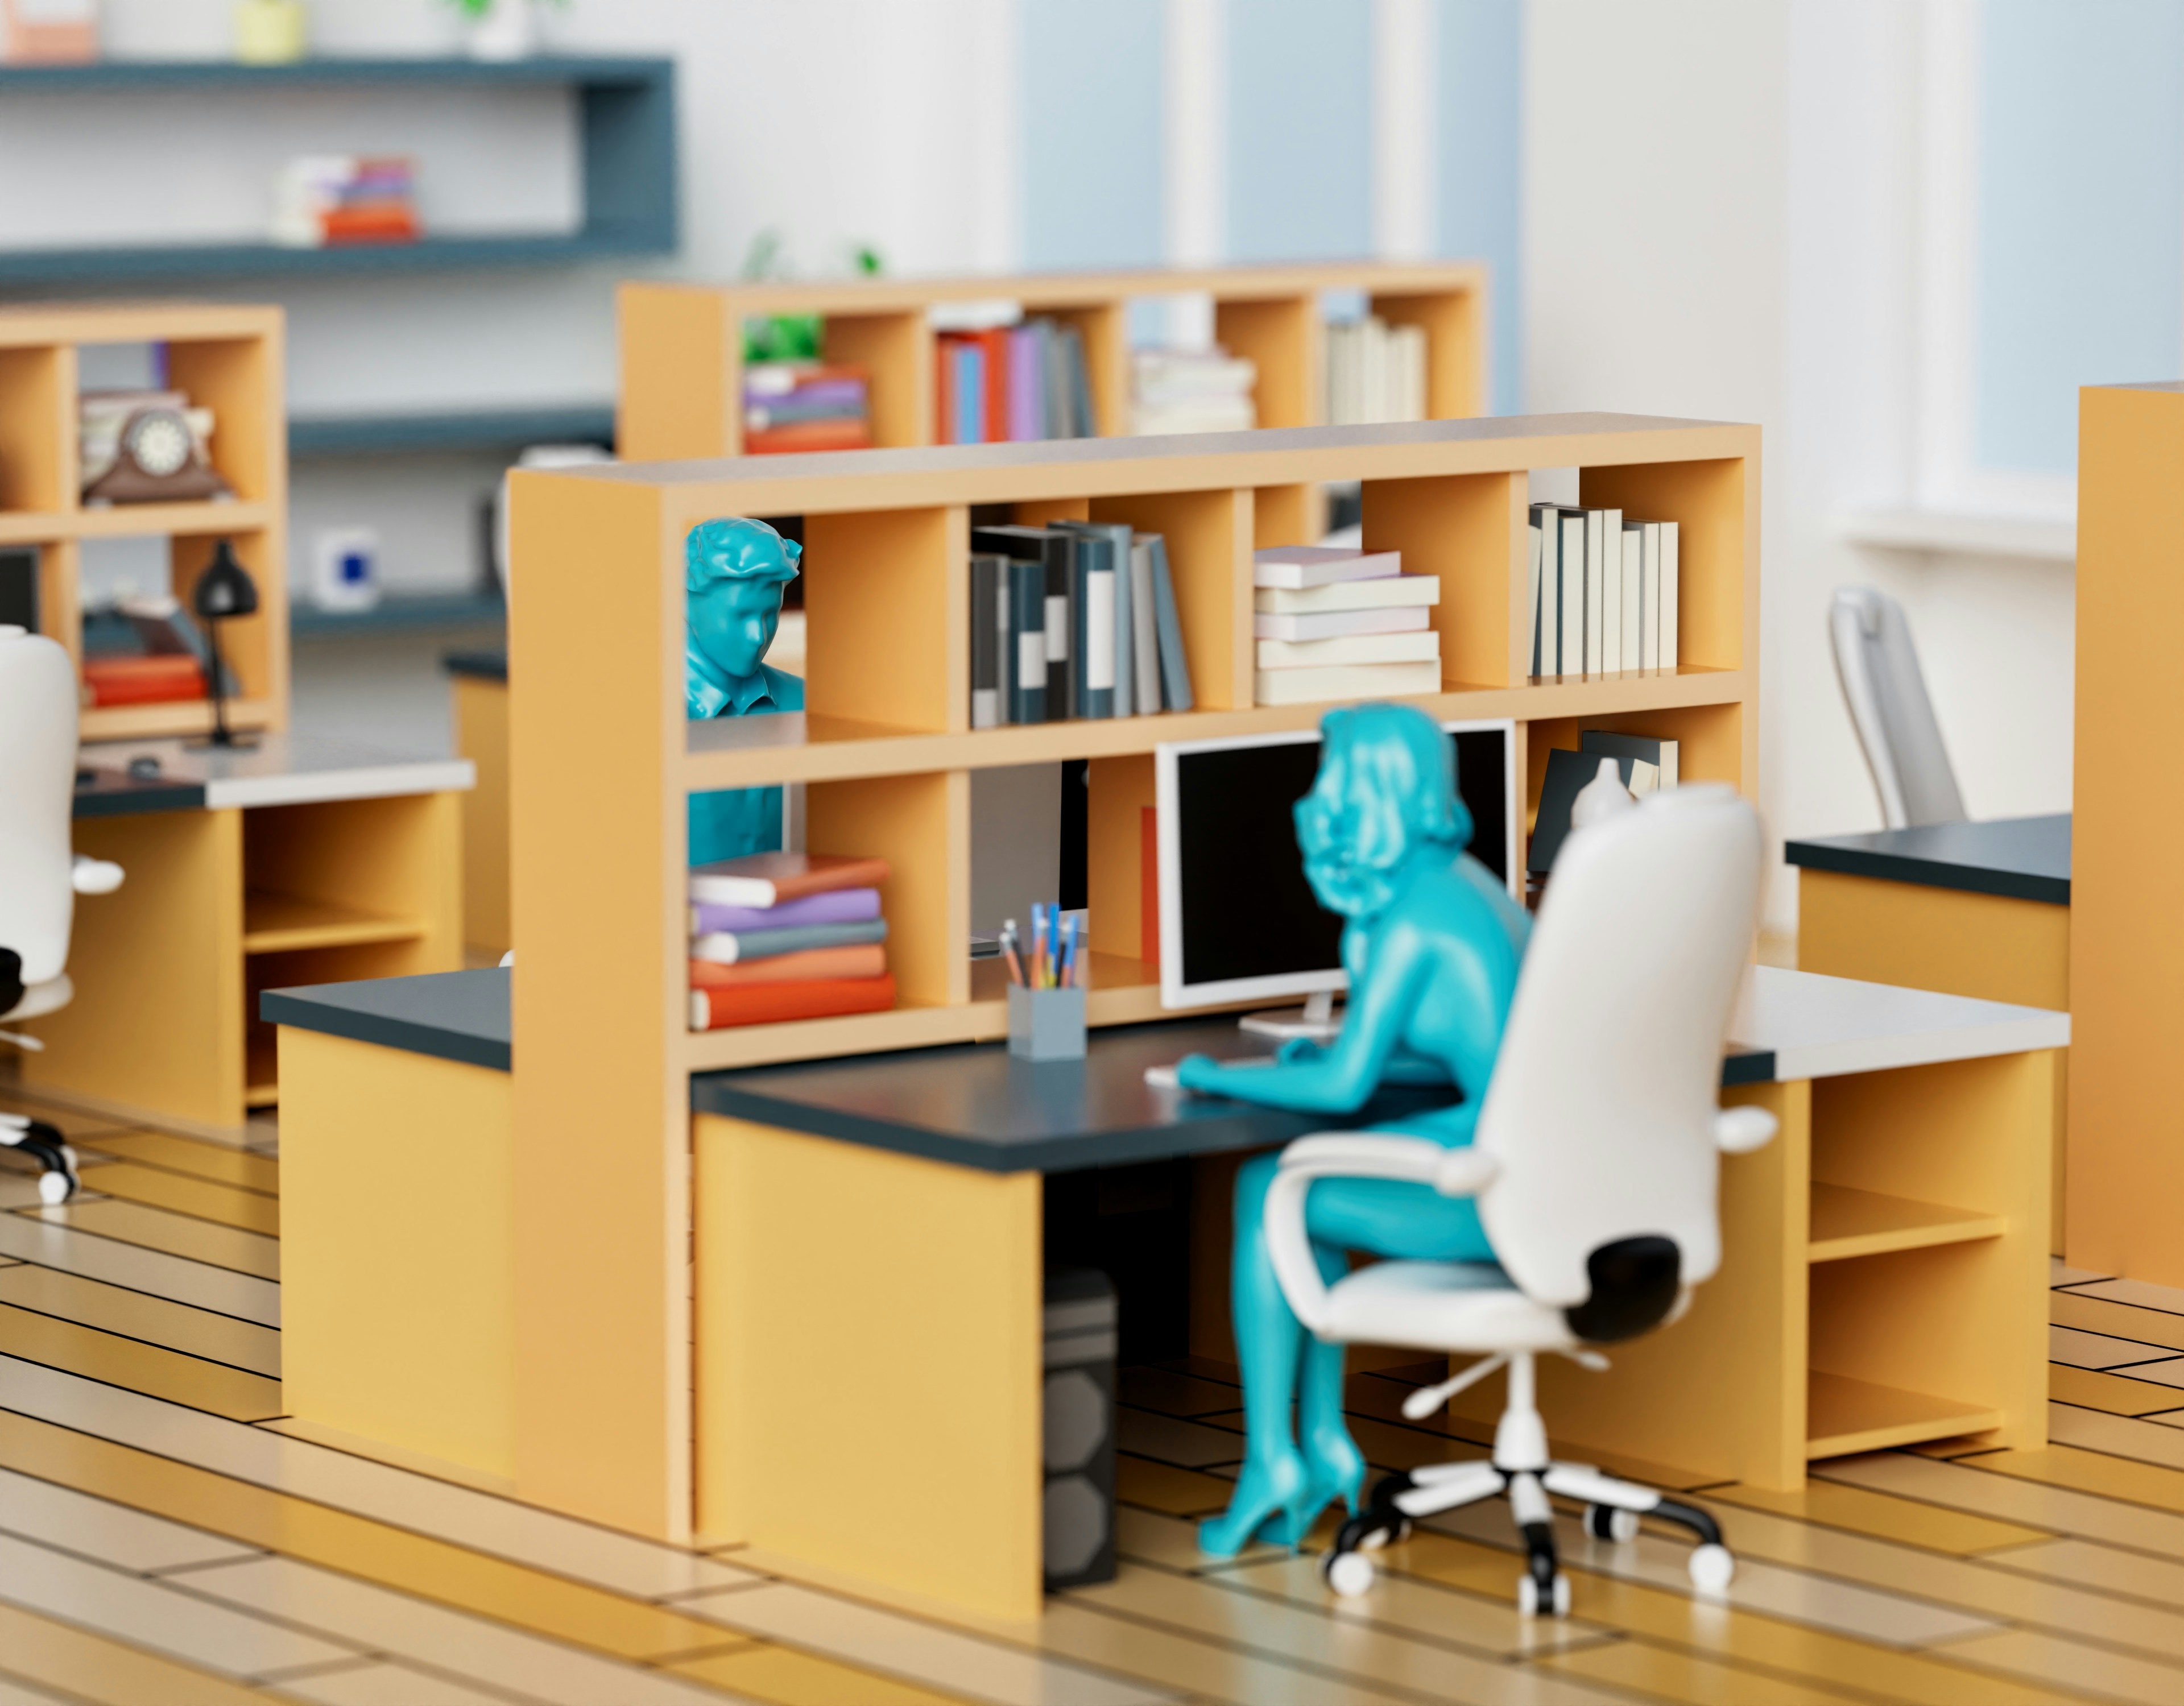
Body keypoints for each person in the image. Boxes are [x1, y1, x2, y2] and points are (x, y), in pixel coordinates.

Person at [1176, 702, 1530, 1556]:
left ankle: (1273, 1460)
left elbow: (1343, 1088)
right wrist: (1322, 1060)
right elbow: (1465, 1057)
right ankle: (1325, 1440)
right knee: (1300, 1186)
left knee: (1271, 1191)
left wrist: (1214, 1074)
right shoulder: (1471, 887)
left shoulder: (1409, 920)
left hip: (1501, 1189)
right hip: (1547, 1162)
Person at [685, 516, 804, 865]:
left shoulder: (803, 701)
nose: (757, 635)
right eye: (739, 615)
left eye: (770, 614)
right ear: (685, 600)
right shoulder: (643, 710)